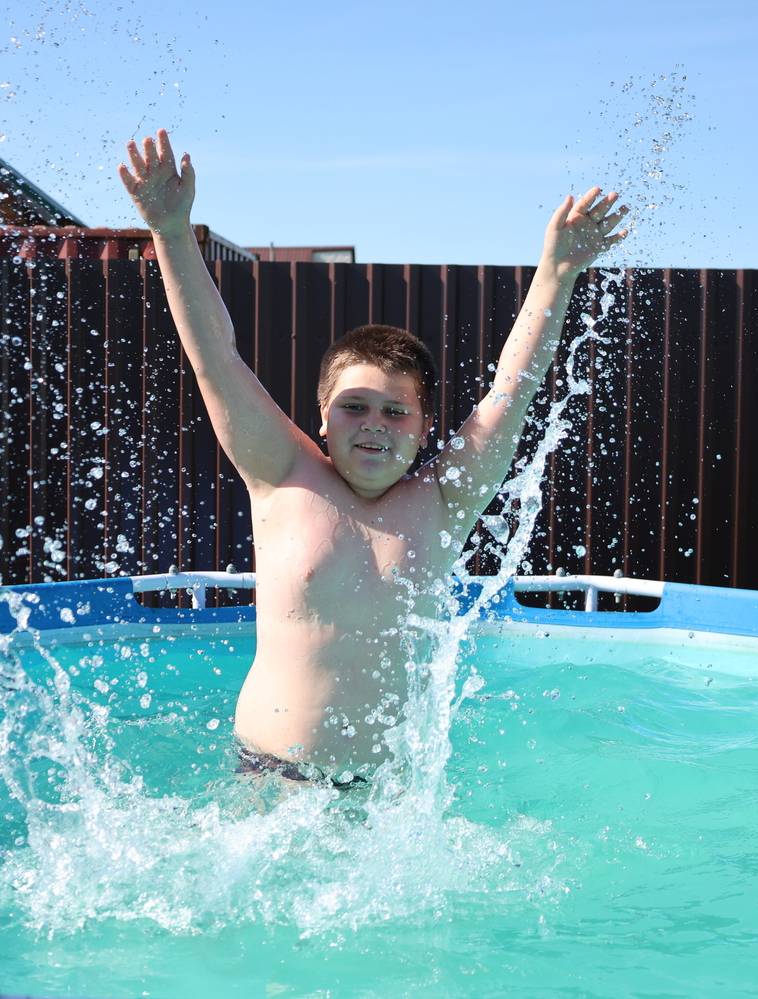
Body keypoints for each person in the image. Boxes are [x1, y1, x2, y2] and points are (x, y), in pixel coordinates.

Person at [120, 129, 627, 785]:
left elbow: (512, 388)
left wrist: (556, 273)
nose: (374, 426)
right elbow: (216, 358)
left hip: (386, 802)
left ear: (425, 428)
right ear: (322, 417)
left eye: (395, 412)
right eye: (354, 406)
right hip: (269, 783)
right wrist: (169, 232)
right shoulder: (282, 478)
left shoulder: (442, 501)